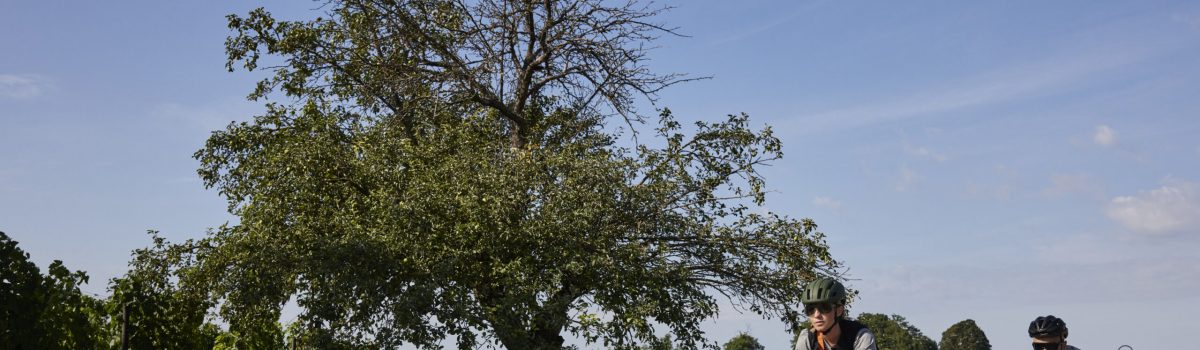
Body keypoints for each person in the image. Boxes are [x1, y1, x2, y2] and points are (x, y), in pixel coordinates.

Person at [793, 277, 877, 350]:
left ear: (839, 310)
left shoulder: (860, 336)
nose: (816, 315)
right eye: (810, 309)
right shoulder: (807, 337)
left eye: (824, 308)